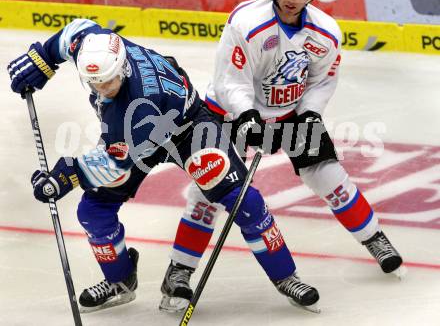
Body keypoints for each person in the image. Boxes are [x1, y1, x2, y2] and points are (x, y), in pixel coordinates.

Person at [7, 18, 321, 313]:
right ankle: (120, 280)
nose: (103, 89)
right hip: (138, 137)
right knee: (93, 211)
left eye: (110, 82)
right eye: (95, 83)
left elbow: (115, 162)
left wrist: (61, 178)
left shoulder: (138, 104)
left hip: (188, 130)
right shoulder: (98, 47)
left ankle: (285, 275)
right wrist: (43, 59)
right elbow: (77, 29)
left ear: (124, 70)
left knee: (245, 201)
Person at [159, 0, 404, 312]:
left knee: (330, 177)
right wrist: (247, 116)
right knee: (206, 191)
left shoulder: (326, 33)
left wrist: (309, 115)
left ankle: (375, 239)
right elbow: (229, 80)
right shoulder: (247, 22)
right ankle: (179, 272)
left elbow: (323, 80)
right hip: (228, 113)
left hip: (290, 115)